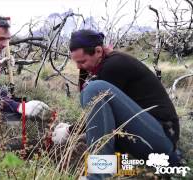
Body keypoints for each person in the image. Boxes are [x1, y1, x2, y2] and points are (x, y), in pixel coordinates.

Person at [51, 29, 180, 179]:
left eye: (82, 61)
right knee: (89, 92)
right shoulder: (98, 66)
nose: (78, 67)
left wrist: (69, 131)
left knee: (94, 89)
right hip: (142, 139)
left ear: (98, 51)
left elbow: (96, 104)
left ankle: (98, 176)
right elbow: (101, 115)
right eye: (76, 62)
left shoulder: (114, 65)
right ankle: (118, 169)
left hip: (161, 138)